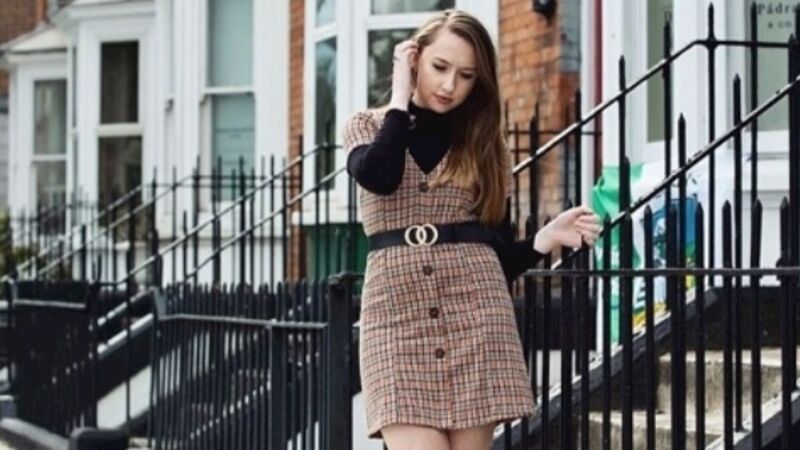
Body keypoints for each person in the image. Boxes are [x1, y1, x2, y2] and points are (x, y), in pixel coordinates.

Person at [341, 9, 601, 450]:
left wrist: (545, 239)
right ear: (415, 59)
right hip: (395, 318)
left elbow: (495, 254)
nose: (449, 86)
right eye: (440, 67)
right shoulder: (367, 126)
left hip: (476, 316)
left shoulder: (484, 145)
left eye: (466, 76)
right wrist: (400, 96)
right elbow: (379, 175)